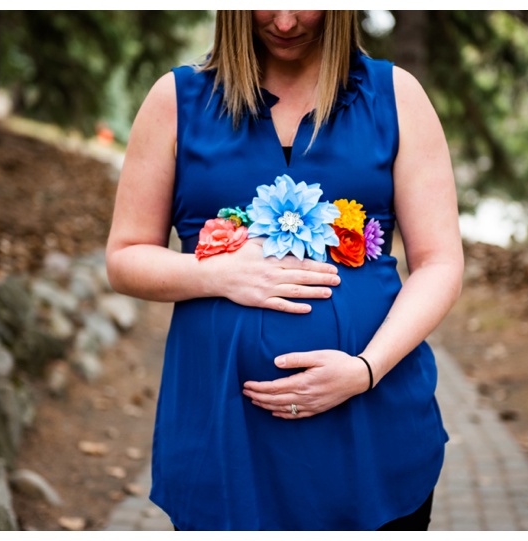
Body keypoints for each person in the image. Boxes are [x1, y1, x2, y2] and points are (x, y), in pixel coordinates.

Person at [106, 10, 463, 531]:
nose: (287, 20)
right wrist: (219, 275)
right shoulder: (175, 101)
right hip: (225, 439)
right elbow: (124, 258)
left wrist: (364, 370)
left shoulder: (397, 96)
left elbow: (440, 263)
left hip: (371, 428)